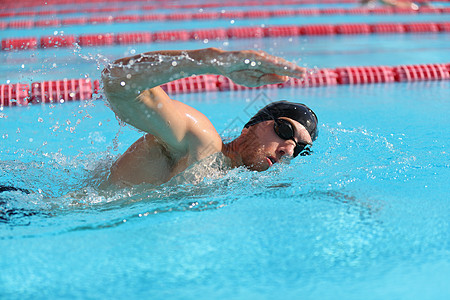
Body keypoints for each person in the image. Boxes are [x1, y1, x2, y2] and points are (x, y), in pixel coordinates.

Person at [101, 47, 318, 187]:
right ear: (253, 125)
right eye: (285, 131)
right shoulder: (202, 141)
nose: (288, 151)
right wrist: (211, 62)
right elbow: (118, 83)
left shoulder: (229, 179)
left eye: (299, 149)